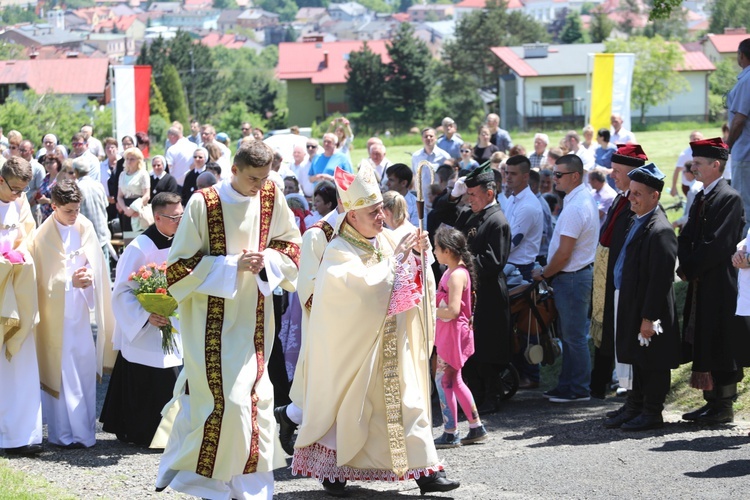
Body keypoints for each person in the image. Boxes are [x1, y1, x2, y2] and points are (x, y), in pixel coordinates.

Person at [292, 164, 459, 497]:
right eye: (373, 211)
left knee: (409, 403)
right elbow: (357, 291)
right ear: (352, 216)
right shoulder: (338, 249)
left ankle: (427, 472)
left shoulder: (383, 239)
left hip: (393, 345)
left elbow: (407, 277)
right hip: (356, 350)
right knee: (350, 412)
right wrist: (396, 261)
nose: (382, 216)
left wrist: (416, 253)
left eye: (381, 208)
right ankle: (334, 472)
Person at [156, 141, 301, 499]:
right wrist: (231, 265)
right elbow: (177, 268)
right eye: (253, 178)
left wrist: (266, 259)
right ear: (234, 170)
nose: (259, 186)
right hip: (210, 323)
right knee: (224, 403)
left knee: (256, 398)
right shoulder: (202, 203)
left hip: (255, 320)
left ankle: (252, 486)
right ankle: (207, 482)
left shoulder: (270, 195)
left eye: (265, 177)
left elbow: (291, 246)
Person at [30, 179, 114, 449]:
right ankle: (62, 434)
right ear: (53, 206)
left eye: (77, 209)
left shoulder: (85, 226)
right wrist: (69, 282)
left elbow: (98, 265)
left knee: (84, 369)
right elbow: (39, 281)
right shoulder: (42, 236)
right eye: (68, 211)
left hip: (80, 312)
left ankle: (85, 433)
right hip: (56, 317)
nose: (74, 215)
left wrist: (91, 275)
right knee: (62, 371)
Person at [100, 192, 184, 446]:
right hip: (145, 327)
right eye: (174, 217)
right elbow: (122, 292)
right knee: (151, 379)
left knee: (173, 373)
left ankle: (172, 433)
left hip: (173, 321)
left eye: (182, 216)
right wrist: (148, 314)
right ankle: (143, 432)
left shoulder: (182, 242)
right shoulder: (139, 247)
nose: (180, 221)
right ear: (157, 217)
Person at [677, 137, 750, 425]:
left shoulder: (728, 197)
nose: (692, 167)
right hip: (702, 280)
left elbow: (717, 243)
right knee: (705, 338)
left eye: (698, 163)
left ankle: (724, 405)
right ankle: (711, 402)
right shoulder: (701, 195)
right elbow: (686, 235)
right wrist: (685, 265)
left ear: (715, 165)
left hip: (720, 282)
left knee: (722, 340)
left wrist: (692, 266)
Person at [603, 163, 681, 431]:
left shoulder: (660, 230)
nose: (631, 198)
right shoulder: (638, 220)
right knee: (637, 359)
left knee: (653, 362)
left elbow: (660, 281)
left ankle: (652, 411)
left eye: (637, 193)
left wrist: (649, 317)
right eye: (631, 192)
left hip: (651, 308)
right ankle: (635, 406)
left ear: (654, 196)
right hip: (633, 302)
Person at [533, 154, 598, 403]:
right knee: (571, 336)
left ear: (574, 176)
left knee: (574, 337)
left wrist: (544, 274)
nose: (554, 178)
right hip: (572, 277)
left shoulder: (576, 206)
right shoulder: (577, 200)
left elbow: (563, 254)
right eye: (553, 173)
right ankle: (568, 384)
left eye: (558, 174)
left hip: (571, 277)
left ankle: (579, 388)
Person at [447, 163, 511, 414]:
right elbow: (443, 217)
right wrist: (454, 194)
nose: (468, 198)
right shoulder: (471, 213)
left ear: (490, 193)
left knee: (487, 346)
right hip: (470, 293)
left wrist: (460, 266)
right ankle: (475, 393)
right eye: (468, 193)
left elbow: (493, 262)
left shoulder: (497, 221)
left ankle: (492, 395)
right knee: (470, 346)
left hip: (488, 294)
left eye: (473, 194)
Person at [589, 144, 649, 401]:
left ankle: (623, 388)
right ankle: (599, 385)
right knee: (605, 333)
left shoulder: (636, 204)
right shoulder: (619, 198)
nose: (612, 175)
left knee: (620, 333)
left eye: (617, 170)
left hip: (622, 282)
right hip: (608, 277)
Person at [0, 157, 43, 456]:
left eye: (22, 190)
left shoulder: (21, 201)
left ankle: (21, 434)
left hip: (16, 285)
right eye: (14, 189)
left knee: (21, 361)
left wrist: (19, 253)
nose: (18, 195)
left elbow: (29, 235)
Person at [432, 227, 486, 448]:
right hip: (454, 333)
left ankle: (450, 431)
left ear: (447, 250)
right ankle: (475, 427)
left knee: (443, 381)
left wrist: (427, 309)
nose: (434, 251)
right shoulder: (455, 271)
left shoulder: (455, 275)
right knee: (455, 380)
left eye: (436, 248)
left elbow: (453, 311)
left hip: (452, 334)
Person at [72, 156, 112, 281]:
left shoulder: (76, 188)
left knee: (89, 272)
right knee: (104, 270)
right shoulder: (98, 185)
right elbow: (106, 205)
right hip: (102, 232)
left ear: (76, 172)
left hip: (85, 235)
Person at [727, 38, 750, 233]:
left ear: (741, 55)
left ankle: (745, 257)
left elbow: (739, 119)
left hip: (745, 152)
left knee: (745, 208)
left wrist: (727, 145)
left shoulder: (748, 79)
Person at [116, 147, 150, 232]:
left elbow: (146, 195)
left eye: (132, 159)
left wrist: (133, 209)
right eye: (127, 159)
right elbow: (119, 196)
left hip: (139, 209)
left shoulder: (143, 174)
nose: (129, 161)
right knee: (128, 239)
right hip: (126, 209)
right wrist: (125, 209)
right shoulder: (122, 175)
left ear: (139, 160)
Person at [671, 131, 703, 198]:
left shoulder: (706, 152)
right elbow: (677, 171)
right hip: (688, 185)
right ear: (690, 140)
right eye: (694, 139)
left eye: (698, 139)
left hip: (702, 183)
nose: (696, 141)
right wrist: (674, 187)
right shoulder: (685, 154)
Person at [385, 163, 419, 227]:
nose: (387, 184)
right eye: (388, 179)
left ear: (403, 183)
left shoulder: (415, 205)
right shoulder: (384, 201)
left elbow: (418, 230)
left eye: (391, 180)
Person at [672, 161, 702, 230]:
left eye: (684, 171)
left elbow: (691, 213)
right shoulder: (700, 185)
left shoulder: (693, 190)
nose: (683, 174)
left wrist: (676, 223)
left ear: (689, 173)